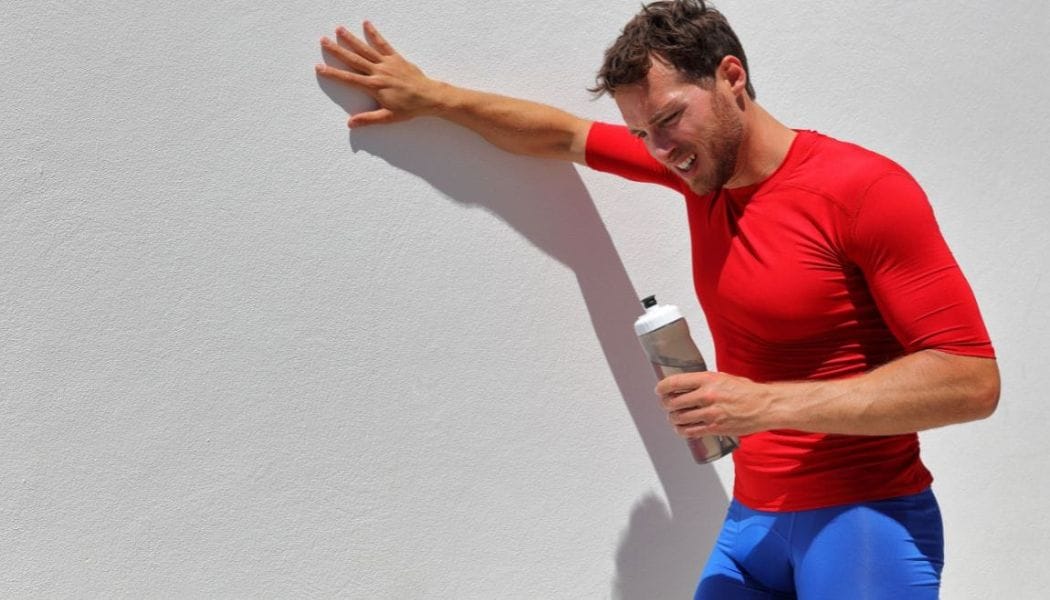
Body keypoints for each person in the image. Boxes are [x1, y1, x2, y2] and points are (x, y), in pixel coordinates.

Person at [315, 1, 1000, 597]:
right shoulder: (699, 172)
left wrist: (765, 404)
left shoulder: (863, 191)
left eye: (670, 119)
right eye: (643, 133)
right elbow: (559, 134)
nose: (660, 150)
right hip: (753, 526)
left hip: (864, 525)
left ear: (732, 78)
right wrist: (431, 96)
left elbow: (971, 380)